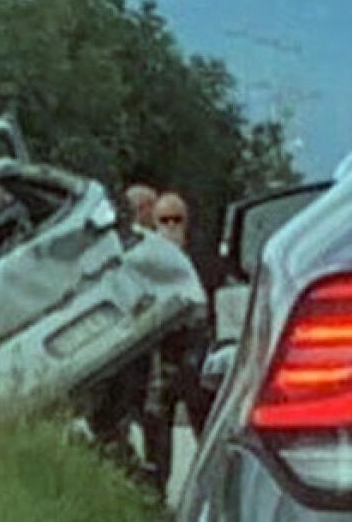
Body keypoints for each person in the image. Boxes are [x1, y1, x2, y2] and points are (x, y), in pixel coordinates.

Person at [126, 187, 214, 496]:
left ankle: (215, 494)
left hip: (195, 360)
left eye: (178, 220)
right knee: (157, 436)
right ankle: (156, 498)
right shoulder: (140, 260)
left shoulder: (203, 261)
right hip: (157, 365)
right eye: (164, 220)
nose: (171, 226)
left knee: (207, 431)